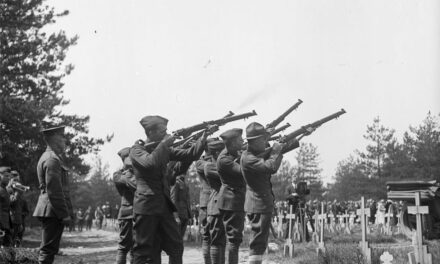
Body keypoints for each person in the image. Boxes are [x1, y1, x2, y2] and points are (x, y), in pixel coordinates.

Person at [129, 115, 206, 264]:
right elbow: (150, 163)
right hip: (146, 207)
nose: (167, 134)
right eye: (162, 132)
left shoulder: (163, 149)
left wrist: (202, 138)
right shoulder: (136, 150)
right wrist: (164, 144)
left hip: (163, 206)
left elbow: (190, 154)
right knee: (144, 250)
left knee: (176, 245)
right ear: (150, 132)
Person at [240, 122, 291, 264]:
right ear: (254, 141)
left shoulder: (251, 154)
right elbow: (271, 166)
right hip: (259, 204)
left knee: (260, 241)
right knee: (258, 244)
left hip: (258, 203)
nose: (265, 142)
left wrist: (285, 144)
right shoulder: (248, 158)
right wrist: (275, 151)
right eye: (262, 139)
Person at [33, 126, 73, 264]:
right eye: (62, 138)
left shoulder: (50, 157)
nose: (64, 141)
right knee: (48, 249)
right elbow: (54, 190)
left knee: (48, 249)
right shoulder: (52, 159)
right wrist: (64, 214)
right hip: (52, 210)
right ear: (55, 139)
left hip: (50, 209)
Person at [216, 128, 245, 264]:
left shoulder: (232, 153)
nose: (243, 141)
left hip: (231, 201)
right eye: (240, 140)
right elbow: (243, 171)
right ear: (233, 143)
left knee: (233, 240)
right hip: (232, 201)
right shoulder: (224, 159)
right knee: (234, 239)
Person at [202, 139, 226, 264]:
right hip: (216, 206)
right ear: (217, 153)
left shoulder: (221, 165)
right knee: (216, 240)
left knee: (221, 241)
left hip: (221, 205)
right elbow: (228, 175)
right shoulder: (209, 166)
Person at [113, 147, 136, 264]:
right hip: (127, 214)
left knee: (135, 248)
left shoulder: (134, 173)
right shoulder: (119, 175)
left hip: (136, 213)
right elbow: (134, 185)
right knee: (123, 247)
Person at [170, 174, 192, 239]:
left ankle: (179, 249)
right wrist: (175, 216)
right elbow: (173, 200)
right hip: (178, 216)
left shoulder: (185, 185)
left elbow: (188, 202)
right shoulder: (175, 183)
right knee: (175, 237)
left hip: (185, 215)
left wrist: (189, 216)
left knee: (180, 238)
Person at [0, 171, 12, 247]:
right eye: (6, 176)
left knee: (7, 246)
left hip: (6, 223)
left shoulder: (5, 190)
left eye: (9, 176)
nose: (8, 178)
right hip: (1, 223)